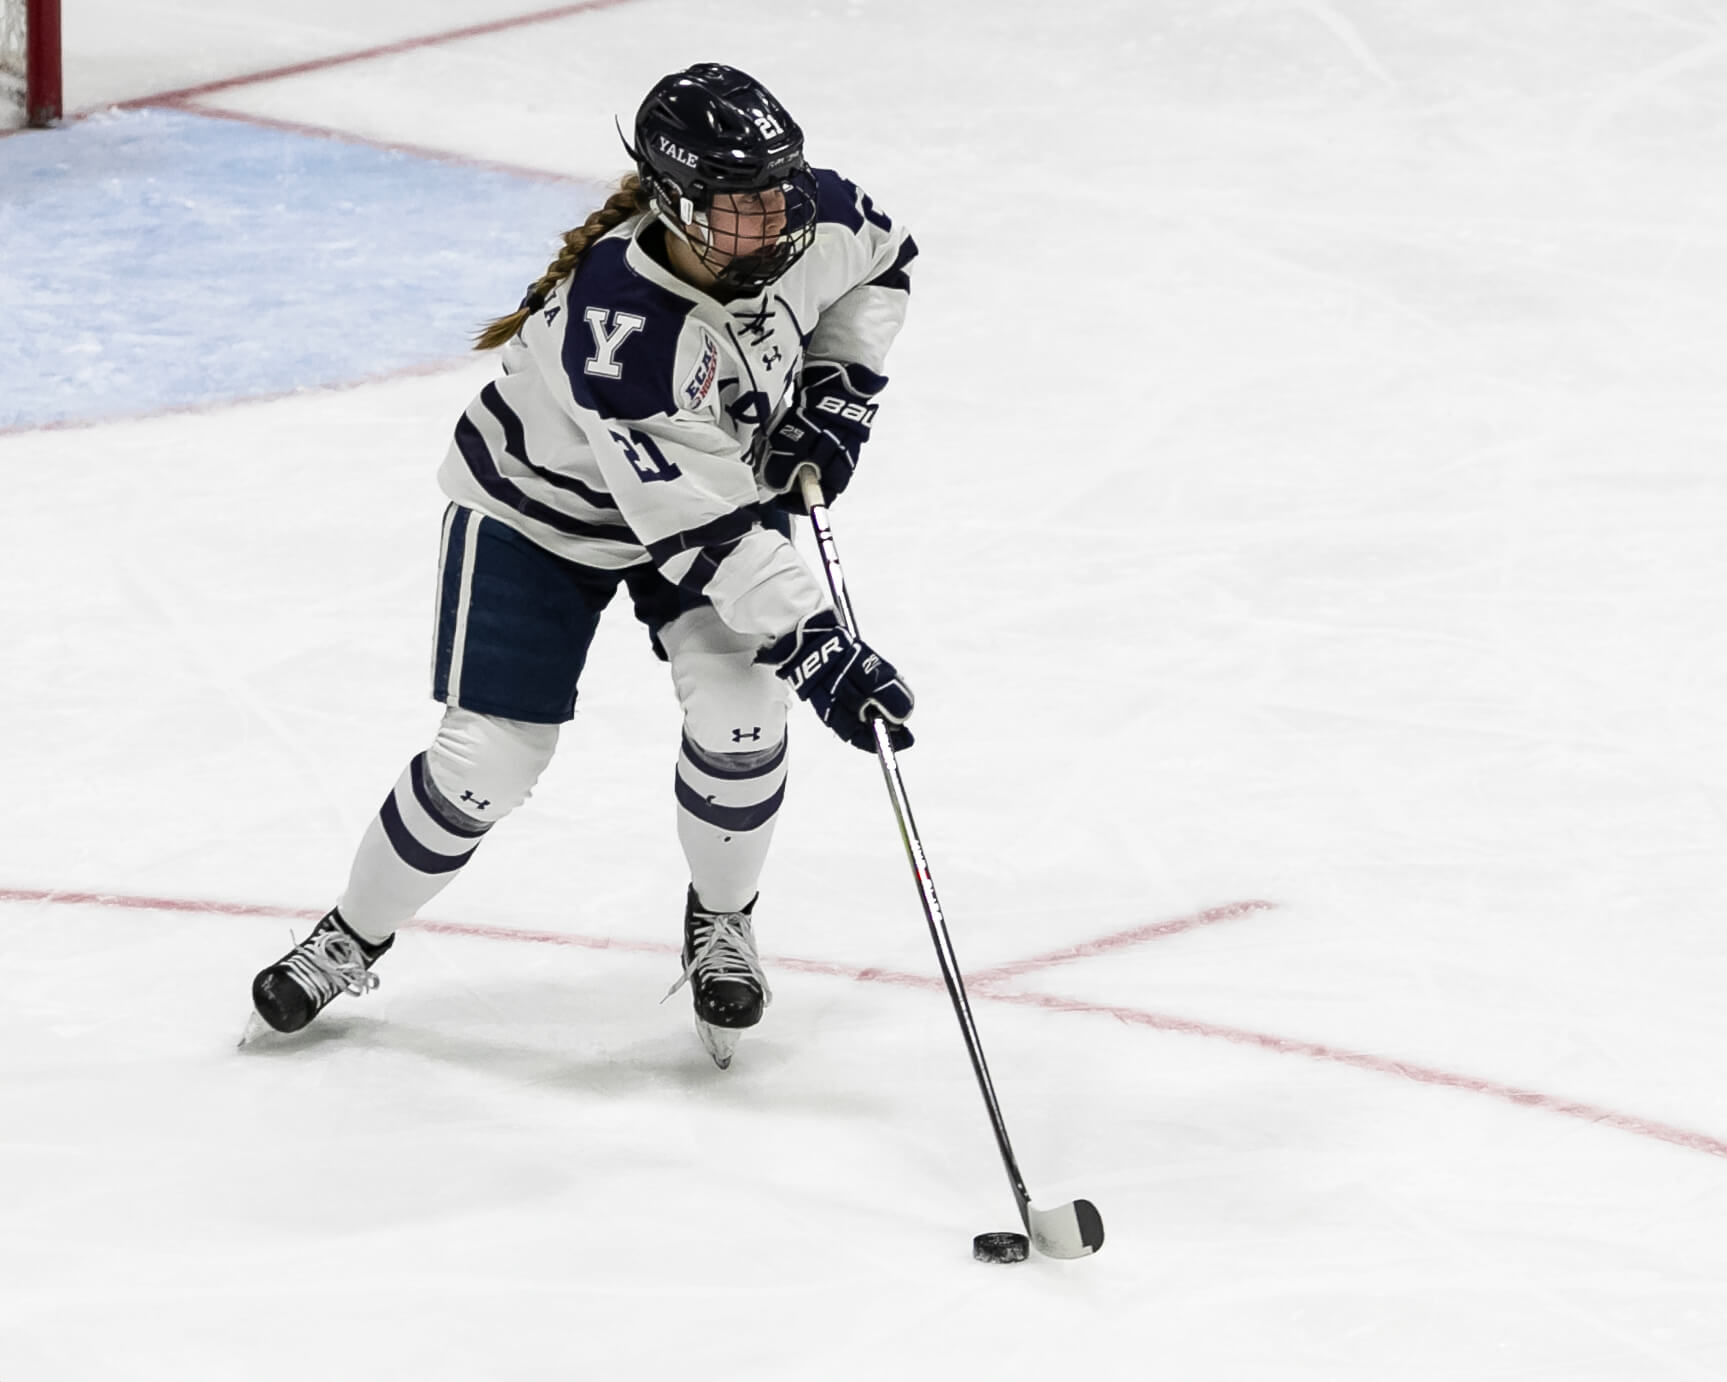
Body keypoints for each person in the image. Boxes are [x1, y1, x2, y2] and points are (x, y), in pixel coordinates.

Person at [249, 63, 918, 1068]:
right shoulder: (623, 328)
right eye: (738, 206)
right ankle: (349, 935)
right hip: (541, 516)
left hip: (703, 499)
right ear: (675, 204)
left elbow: (883, 259)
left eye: (777, 192)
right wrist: (817, 642)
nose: (771, 223)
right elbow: (705, 534)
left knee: (744, 714)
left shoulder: (804, 217)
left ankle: (721, 919)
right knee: (486, 762)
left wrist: (839, 391)